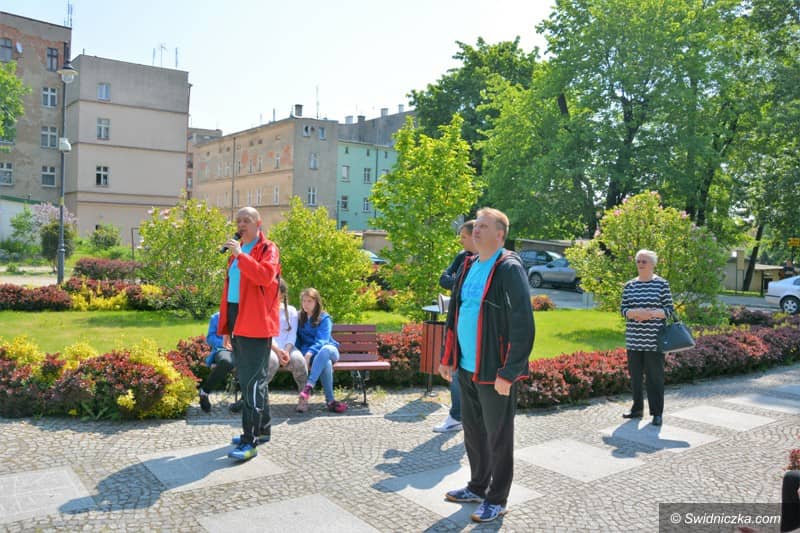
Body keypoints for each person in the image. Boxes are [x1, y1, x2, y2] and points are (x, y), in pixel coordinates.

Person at [439, 208, 534, 523]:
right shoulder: (468, 264)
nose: (475, 231)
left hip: (494, 370)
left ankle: (497, 499)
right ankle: (478, 487)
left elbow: (523, 322)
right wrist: (447, 357)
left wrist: (509, 372)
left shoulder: (508, 268)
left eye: (483, 226)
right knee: (474, 432)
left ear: (500, 234)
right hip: (467, 368)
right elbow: (454, 315)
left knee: (498, 437)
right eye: (476, 226)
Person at [218, 206, 281, 461]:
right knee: (252, 378)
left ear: (258, 223)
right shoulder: (238, 252)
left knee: (252, 382)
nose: (241, 224)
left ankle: (250, 440)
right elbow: (230, 293)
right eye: (238, 221)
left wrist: (240, 255)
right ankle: (262, 429)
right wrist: (226, 327)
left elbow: (264, 277)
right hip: (237, 318)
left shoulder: (268, 249)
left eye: (246, 220)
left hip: (256, 323)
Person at [620, 249, 674, 427]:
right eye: (638, 261)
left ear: (653, 264)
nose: (640, 264)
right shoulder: (629, 285)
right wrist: (634, 312)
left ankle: (657, 413)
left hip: (654, 341)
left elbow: (669, 310)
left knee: (655, 378)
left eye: (644, 261)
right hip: (634, 340)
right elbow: (623, 310)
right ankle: (636, 409)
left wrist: (649, 314)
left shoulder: (662, 284)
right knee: (635, 377)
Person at [433, 219, 476, 433]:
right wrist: (460, 284)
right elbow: (444, 278)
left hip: (476, 329)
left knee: (471, 374)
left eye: (464, 237)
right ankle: (457, 416)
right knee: (456, 370)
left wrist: (458, 284)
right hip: (457, 324)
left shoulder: (487, 263)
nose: (460, 241)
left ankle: (474, 418)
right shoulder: (462, 257)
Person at [296, 288, 348, 413]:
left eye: (309, 301)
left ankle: (309, 385)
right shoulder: (299, 318)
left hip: (329, 350)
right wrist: (301, 354)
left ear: (316, 302)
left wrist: (309, 353)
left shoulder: (324, 318)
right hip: (315, 357)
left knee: (325, 350)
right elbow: (297, 340)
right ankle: (330, 401)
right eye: (304, 301)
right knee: (326, 363)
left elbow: (323, 340)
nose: (306, 304)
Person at [266, 279, 309, 412]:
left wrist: (286, 350)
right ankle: (261, 396)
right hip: (270, 347)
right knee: (272, 361)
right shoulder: (264, 309)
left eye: (276, 292)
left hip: (288, 347)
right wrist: (278, 351)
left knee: (299, 361)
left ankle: (303, 397)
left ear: (283, 294)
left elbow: (292, 334)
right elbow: (267, 334)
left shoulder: (291, 311)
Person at [197, 312, 241, 413]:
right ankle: (204, 392)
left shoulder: (246, 315)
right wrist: (225, 343)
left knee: (251, 362)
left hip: (243, 350)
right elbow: (210, 338)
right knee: (226, 361)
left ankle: (245, 400)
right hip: (223, 349)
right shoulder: (216, 317)